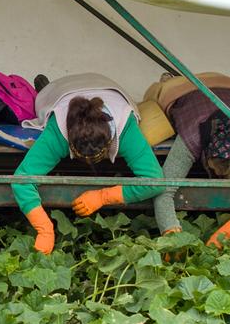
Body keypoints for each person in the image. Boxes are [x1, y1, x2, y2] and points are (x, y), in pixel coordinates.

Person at [13, 73, 164, 253]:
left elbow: (155, 181)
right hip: (57, 92)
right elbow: (22, 179)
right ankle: (43, 85)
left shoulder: (126, 126)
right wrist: (45, 229)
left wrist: (104, 196)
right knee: (43, 93)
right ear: (68, 139)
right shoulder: (57, 130)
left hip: (106, 84)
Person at [150, 73, 230, 247]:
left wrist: (222, 235)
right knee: (161, 92)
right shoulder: (191, 135)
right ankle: (169, 78)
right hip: (187, 88)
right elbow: (162, 191)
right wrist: (171, 234)